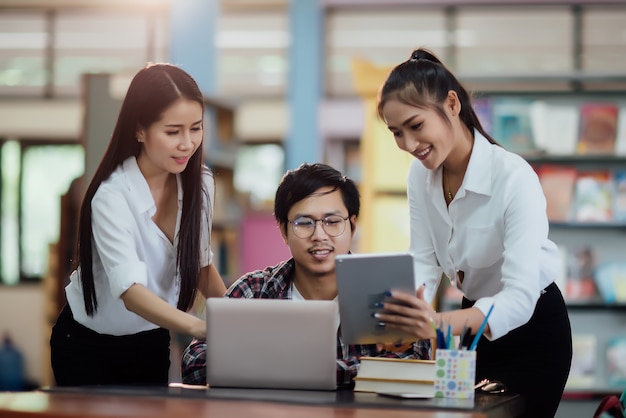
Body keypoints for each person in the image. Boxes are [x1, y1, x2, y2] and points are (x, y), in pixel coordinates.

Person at [374, 48, 572, 417]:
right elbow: (424, 259)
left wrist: (438, 324)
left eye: (415, 126)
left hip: (534, 331)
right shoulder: (419, 175)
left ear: (451, 104)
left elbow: (520, 295)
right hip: (469, 330)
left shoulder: (513, 177)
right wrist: (406, 317)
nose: (408, 145)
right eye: (396, 133)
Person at [50, 63, 227, 387]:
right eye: (173, 131)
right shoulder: (112, 196)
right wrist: (200, 326)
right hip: (86, 344)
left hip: (149, 341)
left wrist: (236, 315)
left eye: (196, 128)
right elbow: (131, 293)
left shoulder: (201, 185)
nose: (187, 143)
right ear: (140, 130)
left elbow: (201, 265)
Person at [181, 163, 430, 388]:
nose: (319, 235)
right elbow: (194, 363)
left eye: (332, 221)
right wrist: (354, 369)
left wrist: (278, 369)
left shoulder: (387, 290)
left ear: (352, 225)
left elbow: (413, 362)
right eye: (304, 223)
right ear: (283, 230)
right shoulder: (254, 290)